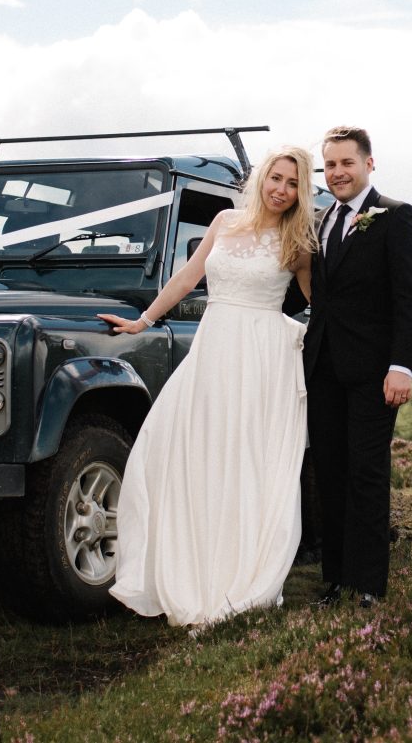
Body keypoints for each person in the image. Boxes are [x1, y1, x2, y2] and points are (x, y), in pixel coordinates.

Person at [100, 146, 316, 627]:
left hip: (262, 358)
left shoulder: (296, 240)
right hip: (213, 348)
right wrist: (145, 320)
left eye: (293, 183)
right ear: (261, 177)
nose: (281, 189)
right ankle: (190, 566)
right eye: (276, 178)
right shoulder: (224, 221)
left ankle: (242, 573)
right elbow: (187, 276)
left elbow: (315, 299)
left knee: (247, 460)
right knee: (184, 449)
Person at [303, 125, 412, 608]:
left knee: (367, 474)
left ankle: (369, 585)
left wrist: (402, 366)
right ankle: (336, 579)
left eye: (346, 163)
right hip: (323, 369)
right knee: (329, 473)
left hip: (375, 372)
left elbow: (408, 298)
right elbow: (311, 293)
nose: (337, 173)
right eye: (330, 165)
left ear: (368, 164)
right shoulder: (319, 221)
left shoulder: (395, 217)